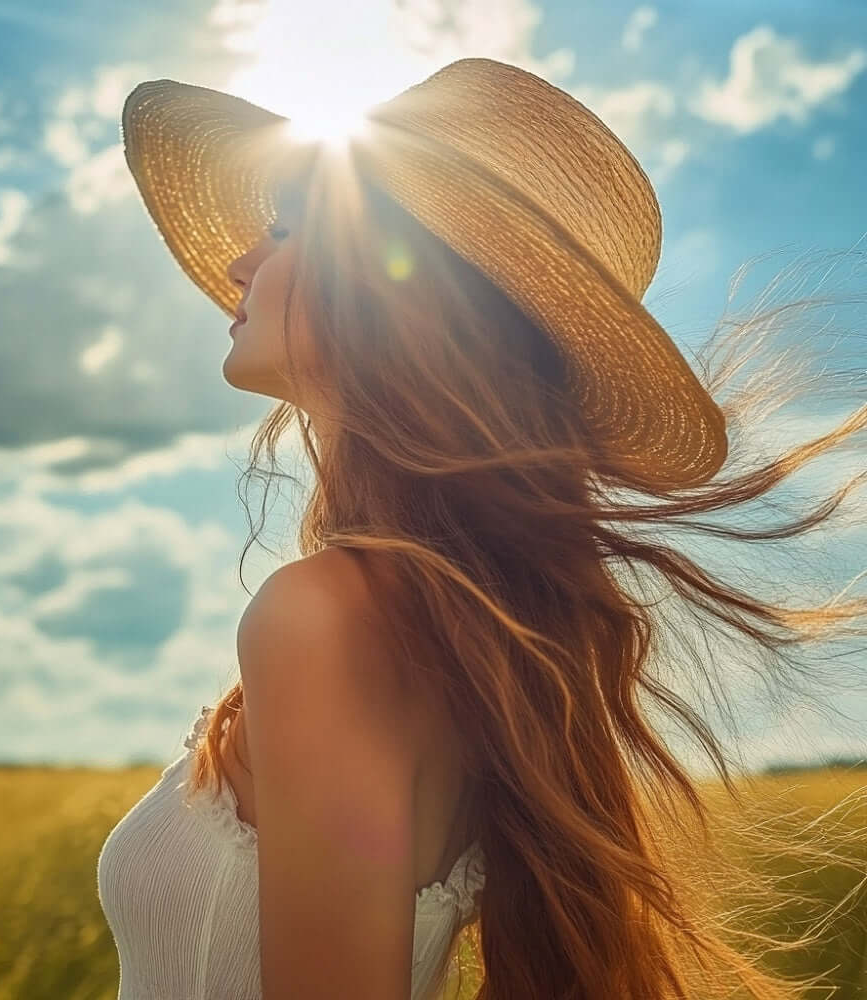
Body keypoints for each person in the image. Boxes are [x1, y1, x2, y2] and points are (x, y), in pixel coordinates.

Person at [98, 57, 867, 1000]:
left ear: (394, 288)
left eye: (290, 227)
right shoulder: (441, 626)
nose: (239, 262)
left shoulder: (330, 616)